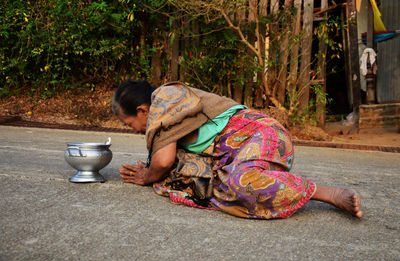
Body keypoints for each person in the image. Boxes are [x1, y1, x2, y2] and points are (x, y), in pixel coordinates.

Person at [112, 79, 363, 219]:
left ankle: (327, 193)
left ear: (143, 110)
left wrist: (148, 175)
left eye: (129, 123)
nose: (133, 129)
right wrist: (154, 170)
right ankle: (271, 178)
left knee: (241, 182)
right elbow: (168, 162)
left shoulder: (164, 98)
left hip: (263, 134)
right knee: (212, 187)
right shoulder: (164, 119)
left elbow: (163, 161)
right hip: (239, 154)